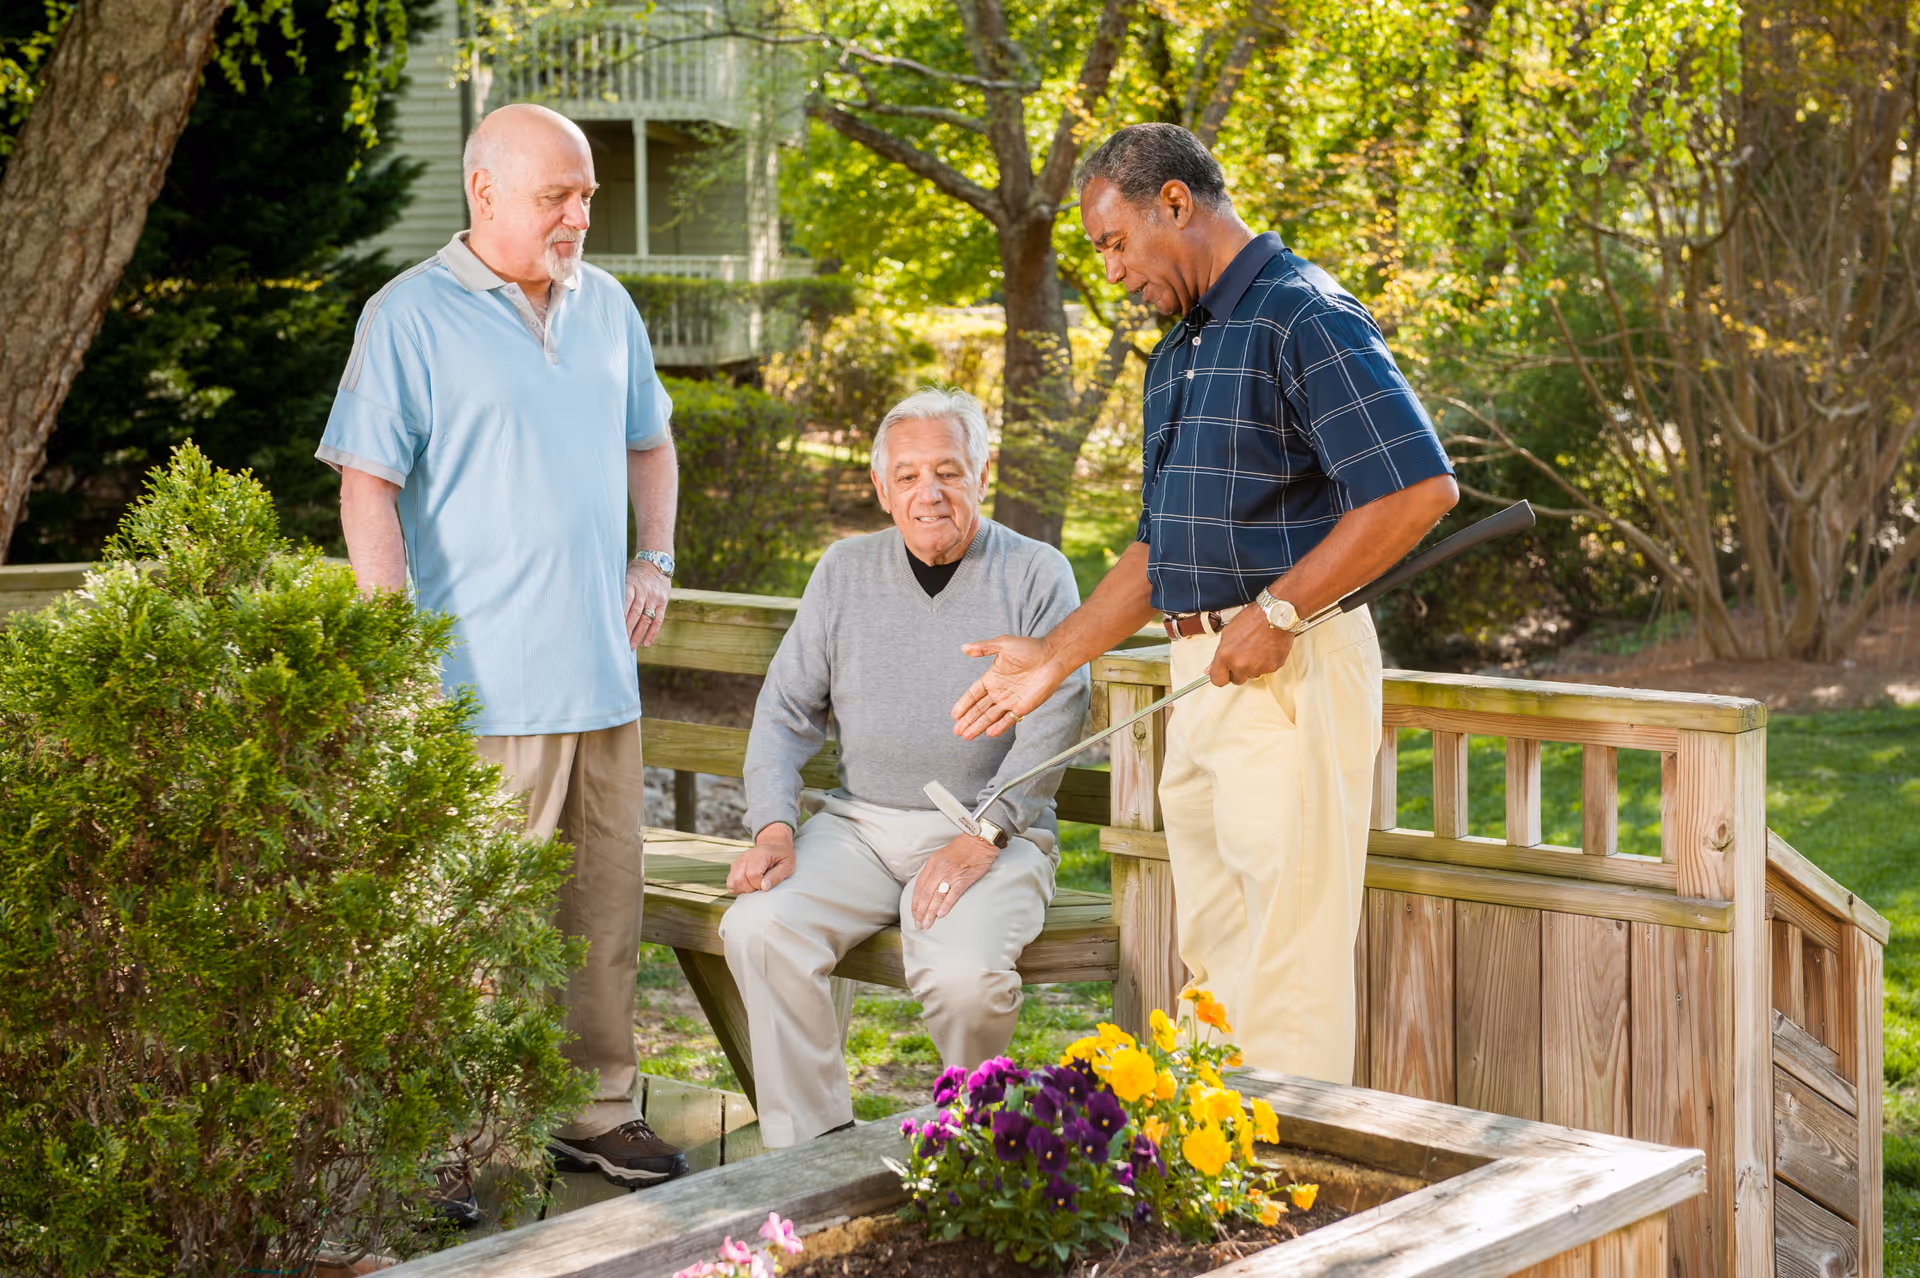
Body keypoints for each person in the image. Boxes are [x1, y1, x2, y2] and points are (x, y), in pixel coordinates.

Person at [952, 124, 1459, 1082]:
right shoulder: (1181, 352)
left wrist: (1284, 610)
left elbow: (1416, 490)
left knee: (1286, 967)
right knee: (1218, 961)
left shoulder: (1304, 314)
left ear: (1175, 204)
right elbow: (1160, 552)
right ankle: (1216, 1189)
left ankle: (1290, 1201)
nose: (1109, 272)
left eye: (1112, 243)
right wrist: (1054, 655)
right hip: (1204, 674)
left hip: (1289, 673)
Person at [317, 103, 687, 1192]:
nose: (579, 215)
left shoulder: (607, 305)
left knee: (601, 915)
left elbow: (651, 440)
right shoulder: (408, 316)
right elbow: (367, 487)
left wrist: (653, 558)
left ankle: (594, 1112)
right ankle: (450, 1143)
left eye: (586, 198)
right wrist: (396, 651)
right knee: (471, 935)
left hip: (600, 678)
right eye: (556, 197)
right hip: (475, 688)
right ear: (483, 191)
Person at [720, 388, 1090, 1148]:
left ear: (981, 475)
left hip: (991, 832)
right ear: (882, 488)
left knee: (962, 979)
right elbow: (786, 711)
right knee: (758, 928)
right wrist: (774, 827)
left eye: (950, 472)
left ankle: (975, 1147)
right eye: (911, 475)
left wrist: (985, 829)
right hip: (858, 828)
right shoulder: (843, 570)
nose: (931, 493)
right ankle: (811, 1155)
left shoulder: (1034, 572)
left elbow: (1057, 714)